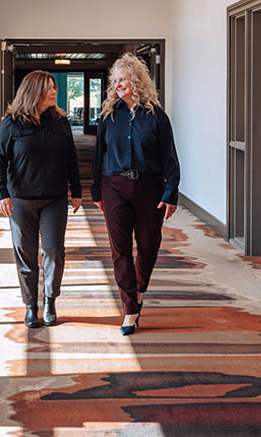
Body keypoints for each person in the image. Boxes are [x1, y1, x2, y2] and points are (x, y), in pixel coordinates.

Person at [92, 53, 180, 336]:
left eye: (123, 79)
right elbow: (98, 155)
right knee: (119, 249)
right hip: (114, 186)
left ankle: (139, 289)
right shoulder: (108, 116)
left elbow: (170, 158)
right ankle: (130, 308)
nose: (118, 85)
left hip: (150, 187)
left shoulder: (156, 116)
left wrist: (171, 192)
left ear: (136, 81)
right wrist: (96, 189)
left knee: (149, 245)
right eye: (115, 81)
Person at [0, 70, 82, 328]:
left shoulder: (61, 122)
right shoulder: (12, 123)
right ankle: (31, 305)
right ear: (34, 91)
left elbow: (71, 158)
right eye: (48, 88)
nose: (54, 91)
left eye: (54, 87)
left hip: (55, 198)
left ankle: (50, 300)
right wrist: (2, 193)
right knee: (26, 254)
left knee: (54, 251)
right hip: (21, 200)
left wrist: (76, 190)